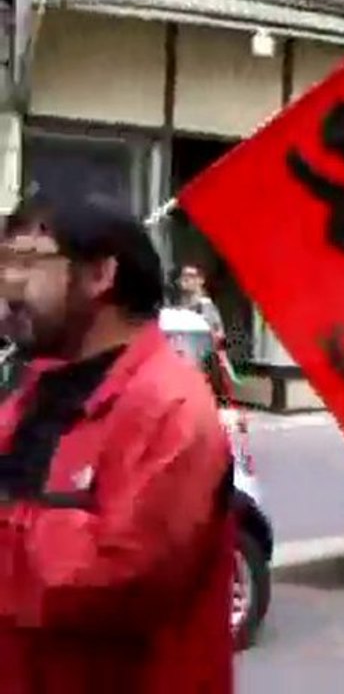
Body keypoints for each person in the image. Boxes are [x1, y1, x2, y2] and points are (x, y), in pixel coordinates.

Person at [0, 194, 234, 693]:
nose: (9, 285)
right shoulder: (34, 392)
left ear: (100, 276)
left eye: (27, 262)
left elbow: (120, 574)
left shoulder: (170, 405)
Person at [177, 263, 225, 340]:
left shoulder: (206, 306)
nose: (185, 279)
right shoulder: (181, 306)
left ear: (201, 280)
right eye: (183, 275)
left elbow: (219, 335)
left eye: (190, 275)